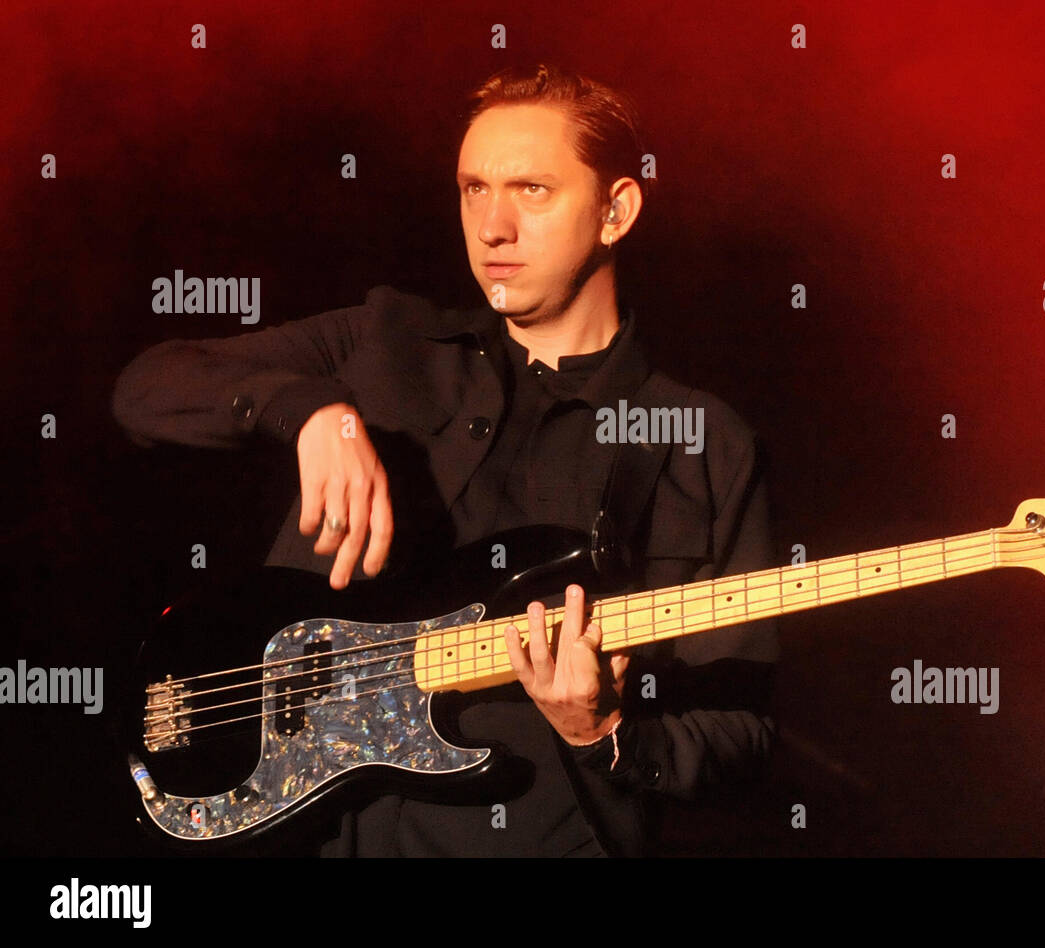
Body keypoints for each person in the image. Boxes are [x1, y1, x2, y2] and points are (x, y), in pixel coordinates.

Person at [112, 61, 779, 857]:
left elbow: (745, 731)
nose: (492, 226)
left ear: (617, 210)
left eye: (532, 190)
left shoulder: (698, 440)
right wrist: (312, 412)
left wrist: (601, 730)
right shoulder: (386, 341)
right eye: (473, 189)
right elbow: (146, 389)